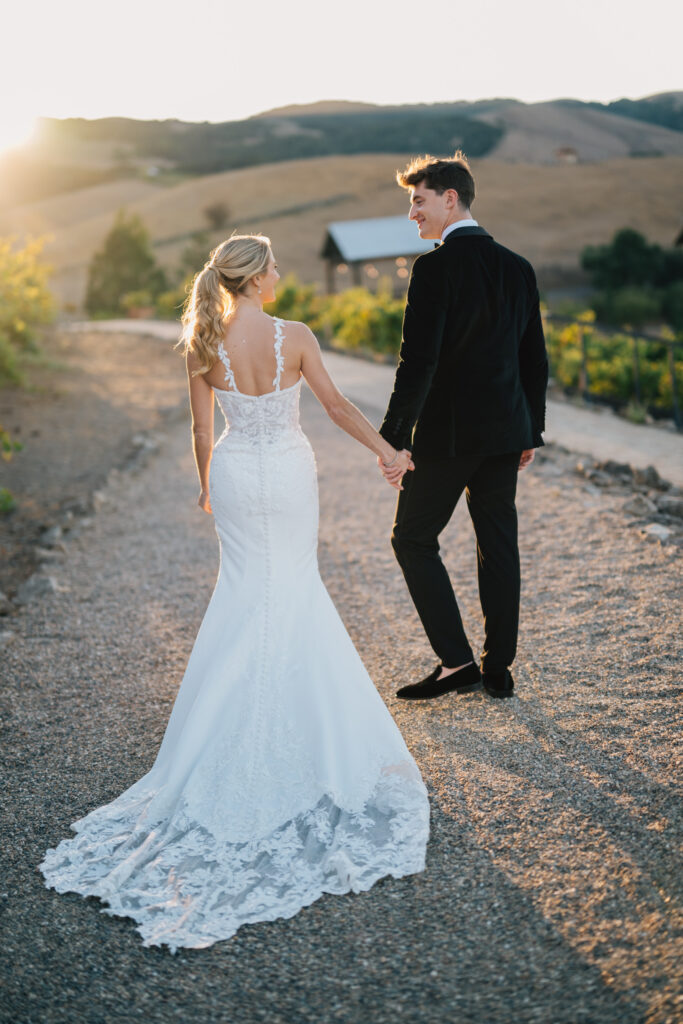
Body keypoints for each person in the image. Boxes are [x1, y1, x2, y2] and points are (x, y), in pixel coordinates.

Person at [39, 234, 429, 952]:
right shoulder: (296, 336)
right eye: (275, 266)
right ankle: (300, 736)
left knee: (246, 593)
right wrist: (388, 455)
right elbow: (339, 409)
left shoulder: (203, 338)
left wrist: (204, 487)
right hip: (285, 472)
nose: (282, 275)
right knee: (295, 589)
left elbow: (199, 426)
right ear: (254, 277)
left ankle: (233, 729)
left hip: (235, 476)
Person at [377, 152, 548, 701]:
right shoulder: (518, 266)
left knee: (412, 538)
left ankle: (456, 662)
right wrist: (531, 429)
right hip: (505, 433)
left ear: (450, 199)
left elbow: (417, 362)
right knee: (499, 543)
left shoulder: (433, 268)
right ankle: (498, 669)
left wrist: (392, 439)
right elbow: (534, 360)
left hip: (449, 437)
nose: (412, 214)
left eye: (418, 201)